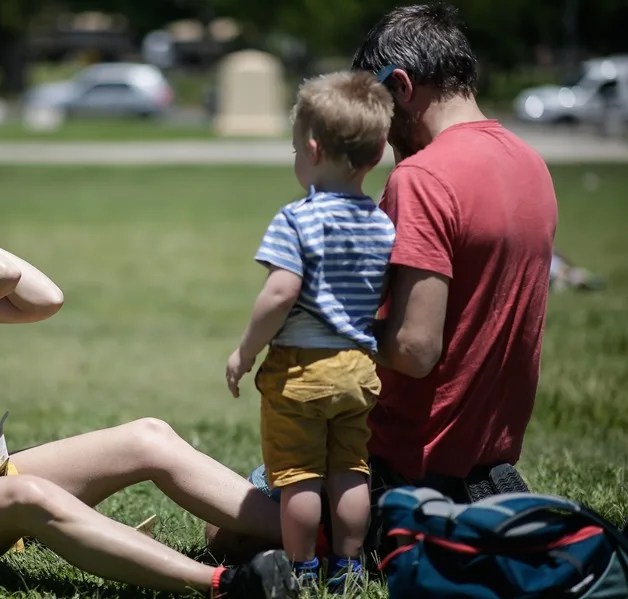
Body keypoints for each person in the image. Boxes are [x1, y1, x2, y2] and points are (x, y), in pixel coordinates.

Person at [0, 151, 299, 598]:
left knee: (148, 437)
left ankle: (315, 535)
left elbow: (44, 299)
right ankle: (228, 585)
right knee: (30, 494)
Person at [208, 2, 557, 566]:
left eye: (373, 106)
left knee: (221, 530)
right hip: (485, 465)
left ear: (401, 86)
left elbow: (415, 352)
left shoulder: (422, 177)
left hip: (407, 467)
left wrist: (326, 330)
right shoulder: (529, 163)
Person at [224, 71, 394, 588]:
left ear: (314, 149)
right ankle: (348, 567)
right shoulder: (381, 223)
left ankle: (300, 570)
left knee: (298, 476)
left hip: (301, 369)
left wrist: (244, 351)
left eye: (296, 149)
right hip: (359, 368)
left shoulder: (297, 218)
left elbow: (280, 292)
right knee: (350, 469)